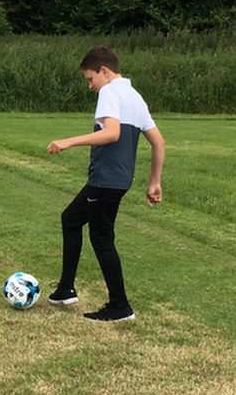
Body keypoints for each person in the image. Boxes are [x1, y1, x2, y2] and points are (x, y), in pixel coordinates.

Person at [46, 45, 165, 322]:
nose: (91, 86)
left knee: (102, 238)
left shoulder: (111, 91)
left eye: (90, 79)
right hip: (118, 180)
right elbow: (158, 142)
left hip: (105, 180)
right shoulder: (135, 96)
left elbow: (112, 134)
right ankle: (65, 289)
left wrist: (69, 141)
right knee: (71, 218)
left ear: (104, 71)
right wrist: (154, 182)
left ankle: (120, 306)